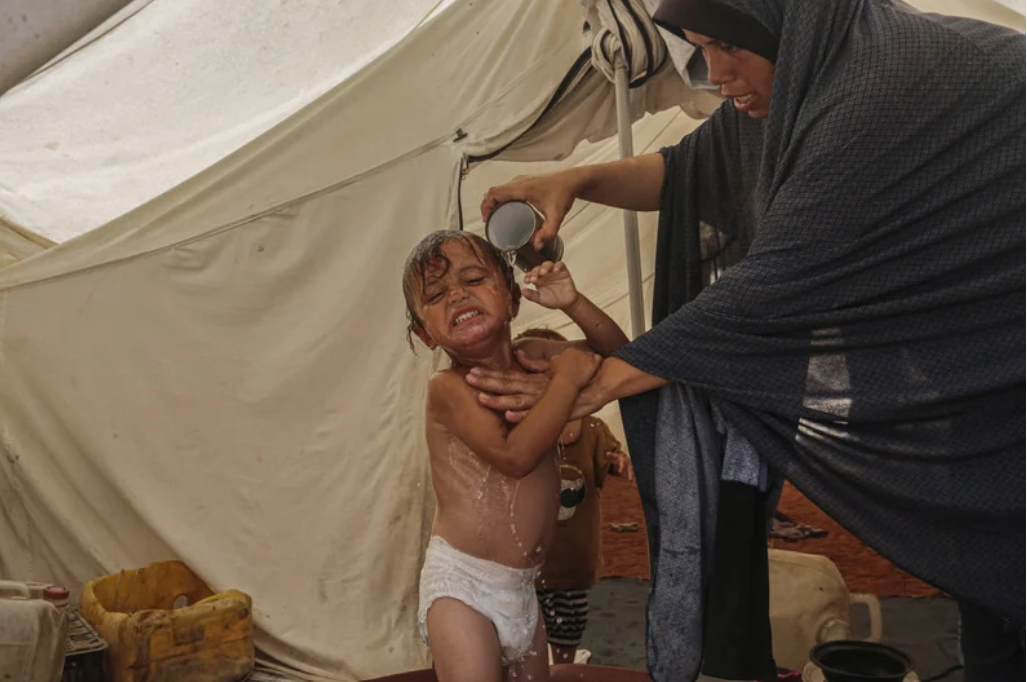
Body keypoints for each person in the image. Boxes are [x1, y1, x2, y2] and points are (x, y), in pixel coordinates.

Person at [466, 0, 1026, 680]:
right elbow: (692, 170)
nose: (714, 73)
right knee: (986, 589)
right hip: (961, 361)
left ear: (779, 29)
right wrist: (573, 180)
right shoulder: (814, 69)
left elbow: (772, 287)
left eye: (729, 50)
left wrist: (598, 382)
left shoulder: (869, 96)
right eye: (700, 48)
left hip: (1004, 350)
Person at [401, 231, 628, 682]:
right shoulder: (448, 389)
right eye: (436, 294)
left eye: (472, 278)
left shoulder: (535, 356)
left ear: (512, 298)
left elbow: (622, 355)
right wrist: (564, 383)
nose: (458, 295)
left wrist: (571, 302)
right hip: (462, 588)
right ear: (425, 334)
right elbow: (515, 456)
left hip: (521, 589)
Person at [516, 328, 634, 666]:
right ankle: (541, 666)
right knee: (530, 623)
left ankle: (564, 666)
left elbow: (612, 455)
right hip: (532, 557)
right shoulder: (522, 428)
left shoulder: (593, 429)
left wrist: (618, 462)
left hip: (573, 556)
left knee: (569, 624)